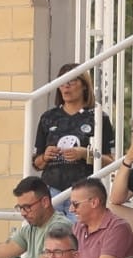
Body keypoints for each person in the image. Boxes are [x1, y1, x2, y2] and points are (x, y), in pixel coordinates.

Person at [34, 66, 116, 203]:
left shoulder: (98, 117)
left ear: (84, 85)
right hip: (51, 190)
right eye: (62, 82)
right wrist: (45, 157)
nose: (66, 86)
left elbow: (110, 162)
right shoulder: (48, 117)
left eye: (71, 81)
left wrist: (85, 154)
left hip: (84, 192)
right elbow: (37, 164)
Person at [70, 178, 133, 258]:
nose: (71, 209)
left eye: (75, 204)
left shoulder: (118, 228)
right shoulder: (78, 227)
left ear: (94, 202)